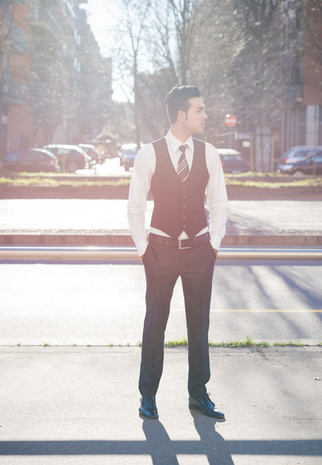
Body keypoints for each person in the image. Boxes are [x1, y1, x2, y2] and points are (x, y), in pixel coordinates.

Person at [127, 85, 228, 420]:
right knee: (155, 323)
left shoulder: (209, 152)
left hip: (200, 249)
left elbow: (219, 202)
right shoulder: (149, 153)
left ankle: (198, 394)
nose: (205, 115)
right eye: (199, 109)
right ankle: (148, 396)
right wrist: (144, 249)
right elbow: (135, 205)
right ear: (181, 115)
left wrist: (213, 245)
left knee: (199, 325)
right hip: (160, 251)